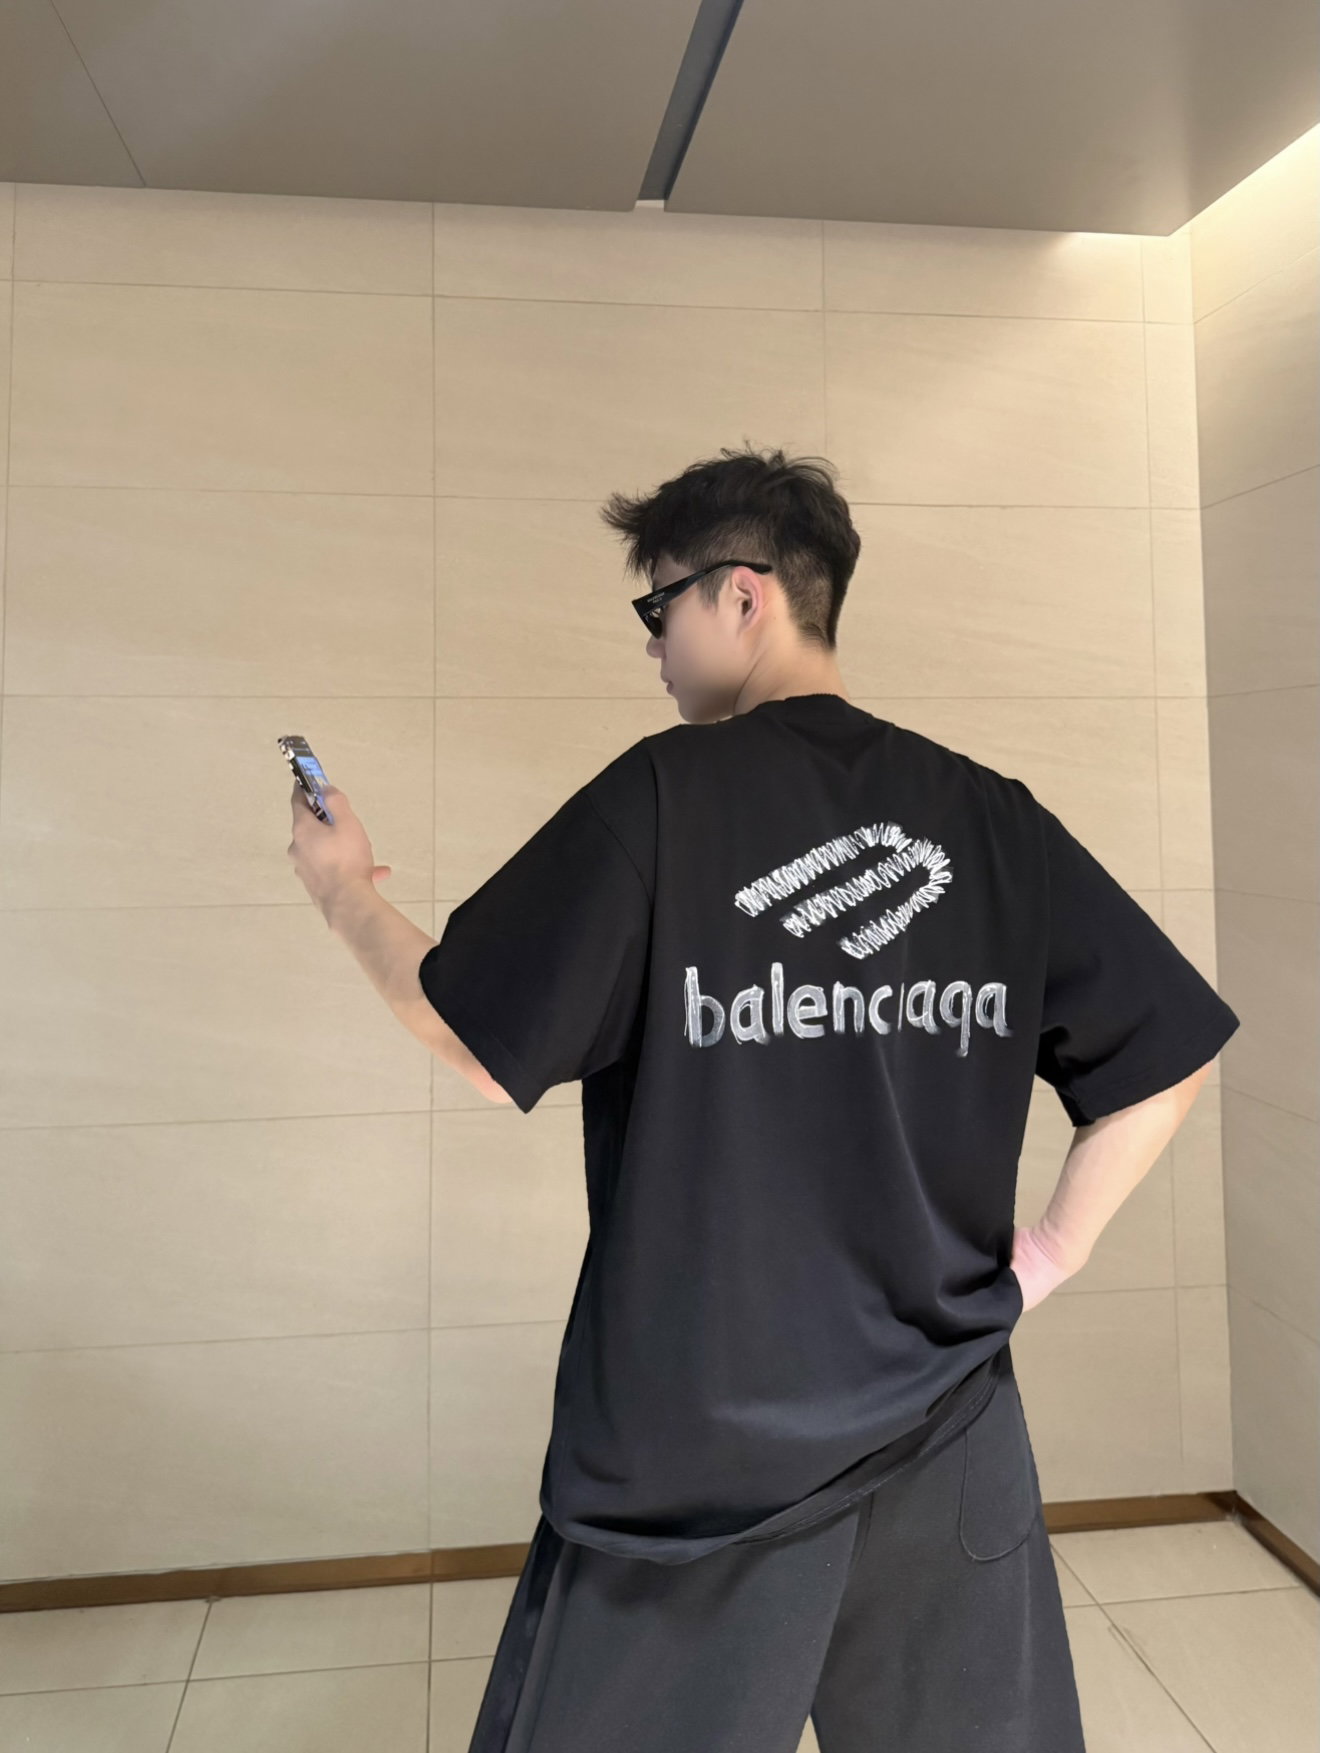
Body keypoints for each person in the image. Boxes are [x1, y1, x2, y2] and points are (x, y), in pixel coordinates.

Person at [409, 444, 1241, 1751]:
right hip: (948, 1426)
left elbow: (470, 1035)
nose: (653, 645)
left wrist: (342, 887)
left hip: (697, 1473)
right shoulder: (993, 821)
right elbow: (1168, 1062)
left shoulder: (661, 801)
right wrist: (1047, 1256)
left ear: (742, 595)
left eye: (658, 607)